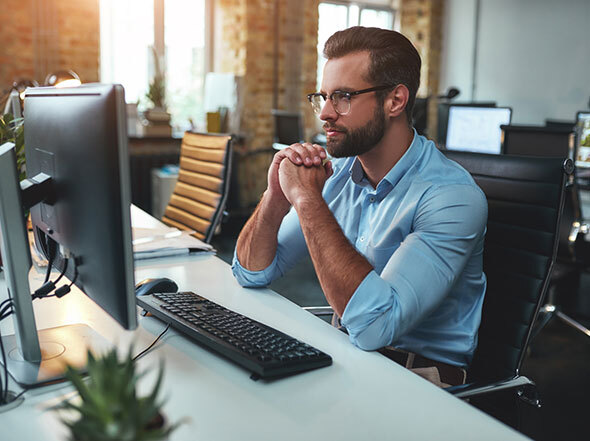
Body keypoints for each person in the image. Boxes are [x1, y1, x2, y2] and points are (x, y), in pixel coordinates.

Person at [232, 26, 487, 387]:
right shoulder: (336, 176)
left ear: (395, 101)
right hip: (348, 359)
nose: (325, 114)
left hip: (421, 383)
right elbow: (251, 272)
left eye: (343, 97)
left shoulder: (451, 197)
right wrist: (276, 195)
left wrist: (306, 200)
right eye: (322, 97)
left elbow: (375, 327)